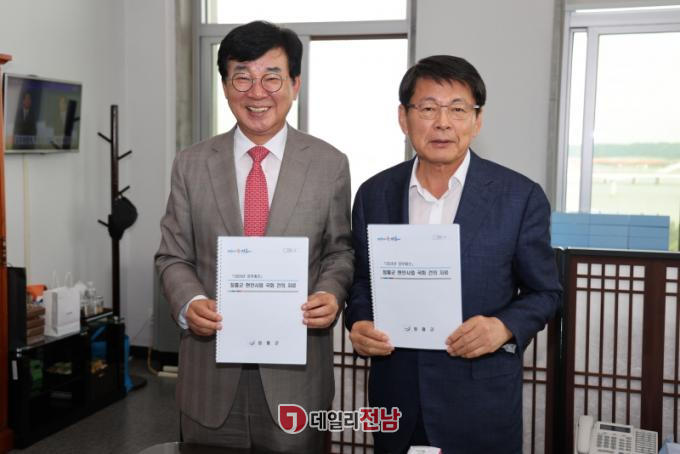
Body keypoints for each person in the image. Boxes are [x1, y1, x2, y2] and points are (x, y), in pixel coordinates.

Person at [345, 55, 562, 453]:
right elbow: (362, 281)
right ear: (403, 117)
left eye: (458, 109)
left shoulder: (519, 197)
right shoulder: (374, 193)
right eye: (427, 108)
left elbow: (545, 293)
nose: (442, 123)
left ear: (477, 121)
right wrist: (358, 322)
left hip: (480, 402)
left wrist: (503, 327)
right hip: (398, 396)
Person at [155, 21, 353, 452]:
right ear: (226, 86)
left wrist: (330, 293)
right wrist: (190, 302)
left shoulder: (329, 164)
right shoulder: (191, 163)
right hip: (210, 375)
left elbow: (340, 251)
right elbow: (172, 255)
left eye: (272, 77)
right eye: (242, 77)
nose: (257, 92)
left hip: (296, 378)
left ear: (295, 84)